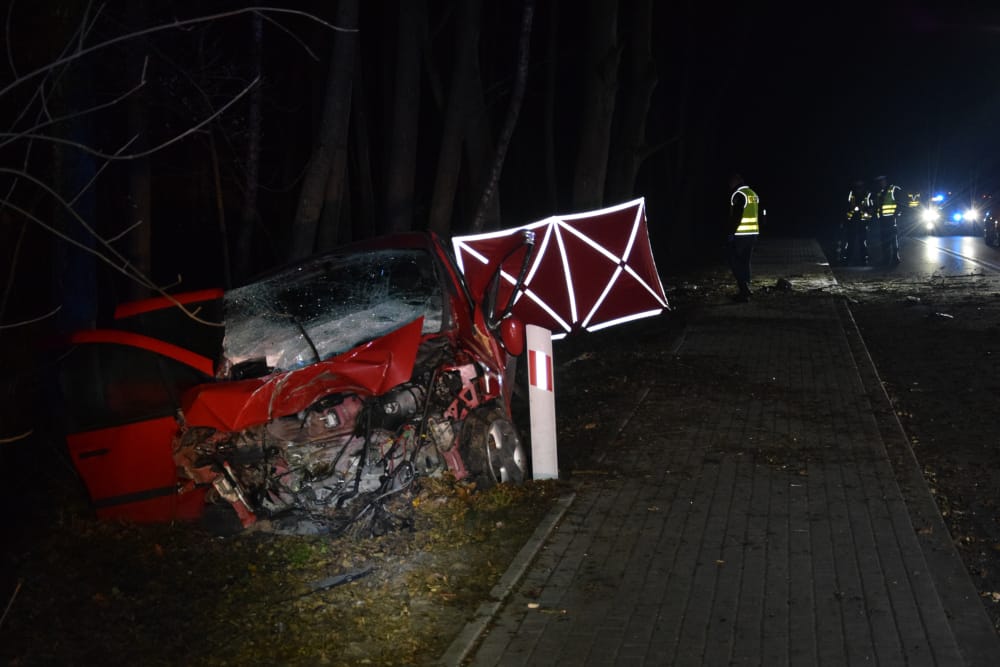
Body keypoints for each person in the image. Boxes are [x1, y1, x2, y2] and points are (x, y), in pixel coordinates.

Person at [727, 173, 760, 302]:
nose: (729, 186)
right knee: (745, 262)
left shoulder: (739, 195)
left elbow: (736, 216)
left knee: (734, 262)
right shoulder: (753, 194)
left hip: (740, 235)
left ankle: (744, 291)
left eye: (730, 183)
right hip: (752, 234)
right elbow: (759, 214)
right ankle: (746, 289)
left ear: (735, 182)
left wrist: (731, 233)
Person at [842, 179, 871, 265]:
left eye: (860, 186)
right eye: (857, 186)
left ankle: (864, 259)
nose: (858, 188)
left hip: (863, 222)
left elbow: (871, 207)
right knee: (850, 241)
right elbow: (846, 206)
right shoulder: (851, 194)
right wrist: (846, 219)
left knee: (863, 241)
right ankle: (847, 259)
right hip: (852, 222)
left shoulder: (867, 194)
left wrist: (866, 213)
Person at [874, 174, 901, 266]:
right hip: (882, 221)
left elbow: (900, 204)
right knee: (884, 241)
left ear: (886, 180)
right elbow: (878, 207)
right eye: (879, 181)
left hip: (891, 220)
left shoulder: (893, 189)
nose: (881, 182)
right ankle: (886, 259)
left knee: (893, 240)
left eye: (882, 180)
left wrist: (896, 215)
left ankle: (895, 258)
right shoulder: (880, 192)